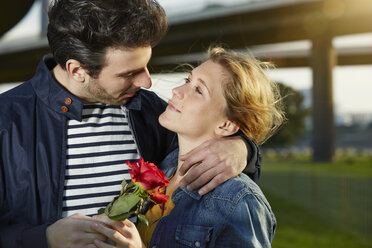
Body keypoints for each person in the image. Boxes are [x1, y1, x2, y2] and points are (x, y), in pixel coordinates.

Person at [0, 1, 261, 247]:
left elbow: (205, 146)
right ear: (77, 70)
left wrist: (242, 149)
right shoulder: (5, 120)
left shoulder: (150, 112)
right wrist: (44, 239)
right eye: (129, 73)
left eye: (145, 66)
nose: (146, 82)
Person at [91, 46, 284, 248]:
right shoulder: (163, 169)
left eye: (199, 90)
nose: (177, 91)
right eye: (188, 81)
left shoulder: (239, 201)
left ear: (226, 125)